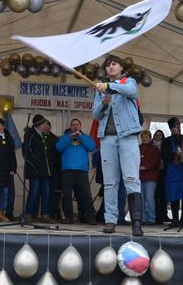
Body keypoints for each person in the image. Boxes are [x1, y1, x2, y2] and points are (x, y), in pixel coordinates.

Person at [92, 54, 143, 236]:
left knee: (131, 179)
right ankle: (110, 220)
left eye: (114, 64)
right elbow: (95, 114)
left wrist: (109, 87)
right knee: (109, 182)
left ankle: (136, 222)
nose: (111, 67)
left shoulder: (129, 82)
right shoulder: (100, 90)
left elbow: (131, 91)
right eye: (108, 65)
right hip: (107, 138)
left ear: (121, 67)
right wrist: (104, 103)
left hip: (128, 136)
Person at [56, 118, 97, 225]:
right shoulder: (65, 137)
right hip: (67, 170)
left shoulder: (86, 137)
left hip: (81, 170)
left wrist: (81, 137)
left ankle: (90, 216)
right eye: (73, 124)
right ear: (70, 126)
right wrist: (69, 138)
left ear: (80, 126)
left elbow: (92, 147)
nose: (75, 126)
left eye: (77, 124)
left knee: (86, 194)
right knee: (67, 194)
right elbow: (58, 148)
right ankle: (68, 217)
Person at [161, 117, 183, 226]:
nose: (177, 127)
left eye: (178, 125)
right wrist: (175, 156)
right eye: (175, 126)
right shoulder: (166, 141)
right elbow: (164, 156)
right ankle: (175, 219)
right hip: (173, 170)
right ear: (171, 128)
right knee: (173, 194)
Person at [23, 114, 54, 223]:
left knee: (46, 192)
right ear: (39, 125)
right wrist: (36, 164)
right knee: (34, 192)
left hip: (45, 171)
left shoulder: (43, 136)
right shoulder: (30, 135)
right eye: (44, 123)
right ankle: (28, 213)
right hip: (35, 170)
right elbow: (26, 152)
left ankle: (45, 214)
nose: (46, 125)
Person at [139, 130, 160, 225]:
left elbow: (156, 161)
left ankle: (151, 218)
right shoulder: (138, 148)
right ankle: (143, 218)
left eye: (146, 137)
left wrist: (145, 167)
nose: (144, 139)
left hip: (151, 177)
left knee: (149, 198)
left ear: (150, 138)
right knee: (141, 198)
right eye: (143, 137)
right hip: (139, 177)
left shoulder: (155, 149)